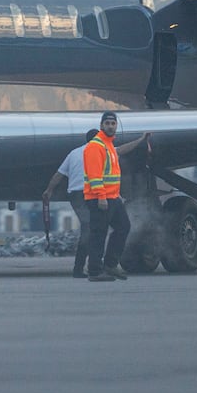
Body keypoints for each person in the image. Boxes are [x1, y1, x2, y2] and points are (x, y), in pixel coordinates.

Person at [83, 111, 149, 282]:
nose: (110, 126)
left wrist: (141, 140)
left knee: (123, 227)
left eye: (113, 123)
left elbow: (122, 150)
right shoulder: (95, 147)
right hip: (100, 199)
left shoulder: (109, 146)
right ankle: (95, 271)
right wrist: (101, 197)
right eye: (107, 123)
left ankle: (110, 264)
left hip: (113, 198)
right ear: (101, 126)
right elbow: (94, 175)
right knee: (99, 233)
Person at [41, 129, 99, 278]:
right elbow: (122, 151)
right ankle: (84, 268)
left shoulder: (73, 153)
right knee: (92, 229)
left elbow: (59, 174)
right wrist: (141, 140)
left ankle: (83, 268)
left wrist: (49, 190)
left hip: (76, 195)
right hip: (89, 193)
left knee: (91, 228)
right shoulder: (101, 151)